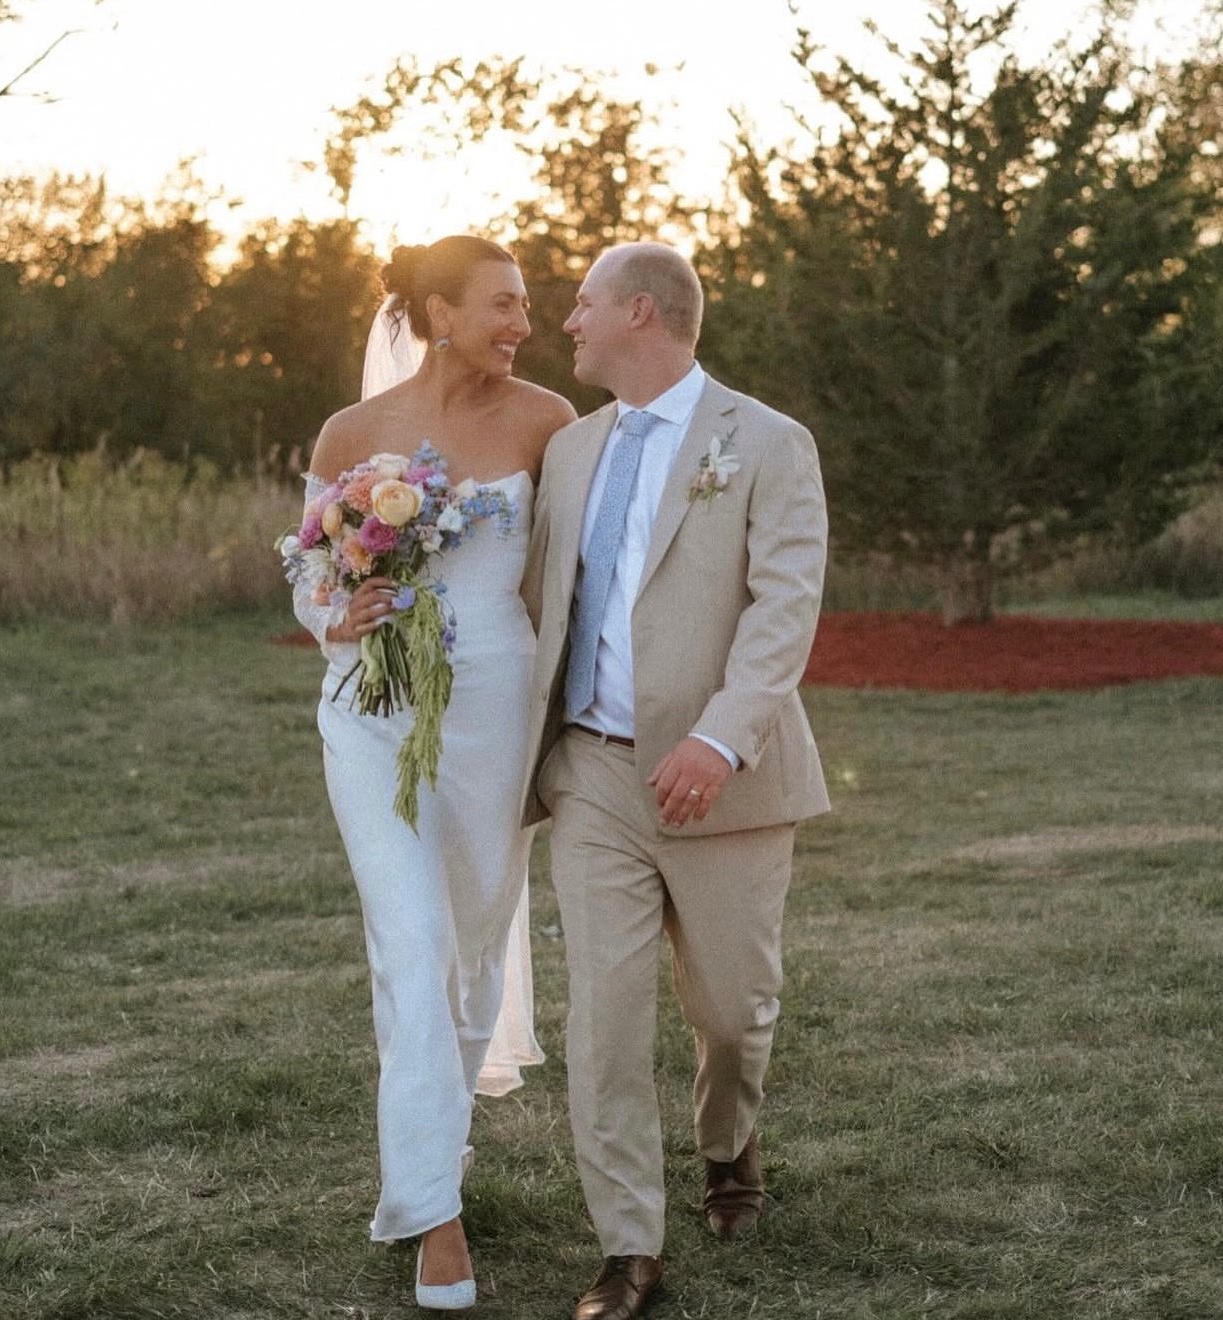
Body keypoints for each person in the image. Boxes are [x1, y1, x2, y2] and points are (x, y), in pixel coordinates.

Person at [520, 242, 830, 1320]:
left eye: (584, 304)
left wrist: (721, 737)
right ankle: (627, 1246)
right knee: (604, 1018)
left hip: (725, 782)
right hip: (596, 776)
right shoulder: (570, 450)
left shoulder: (770, 442)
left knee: (734, 1014)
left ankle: (728, 1145)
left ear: (641, 314)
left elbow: (785, 609)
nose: (569, 322)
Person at [292, 235, 575, 1311]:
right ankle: (433, 1220)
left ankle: (438, 1138)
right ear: (438, 312)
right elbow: (310, 576)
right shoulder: (352, 433)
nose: (523, 324)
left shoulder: (550, 421)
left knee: (469, 947)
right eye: (503, 305)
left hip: (495, 714)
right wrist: (338, 611)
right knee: (409, 942)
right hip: (371, 710)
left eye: (530, 308)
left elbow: (577, 569)